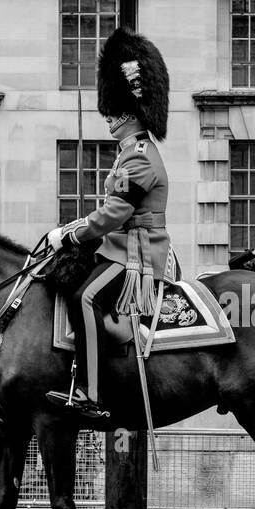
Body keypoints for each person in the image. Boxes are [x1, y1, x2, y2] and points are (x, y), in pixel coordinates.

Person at [44, 26, 174, 423]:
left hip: (136, 253)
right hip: (119, 246)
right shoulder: (129, 153)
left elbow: (116, 213)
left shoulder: (140, 156)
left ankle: (92, 392)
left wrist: (70, 232)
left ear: (128, 113)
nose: (110, 120)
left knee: (85, 297)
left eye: (114, 113)